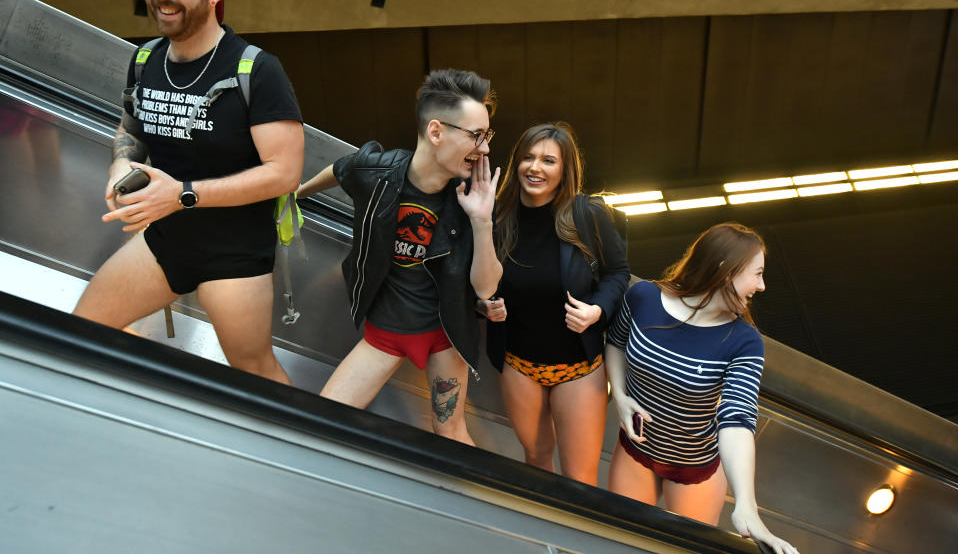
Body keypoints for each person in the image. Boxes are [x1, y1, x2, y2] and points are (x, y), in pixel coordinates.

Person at [73, 0, 304, 384]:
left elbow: (284, 173)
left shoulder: (255, 69)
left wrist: (182, 195)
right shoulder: (145, 59)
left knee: (254, 370)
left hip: (234, 258)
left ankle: (302, 450)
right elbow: (132, 129)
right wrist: (122, 165)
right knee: (78, 333)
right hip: (165, 243)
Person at [296, 69, 501, 444]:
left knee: (451, 430)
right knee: (324, 420)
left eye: (487, 136)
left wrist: (482, 220)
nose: (485, 148)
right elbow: (342, 169)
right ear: (436, 132)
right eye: (476, 135)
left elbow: (486, 289)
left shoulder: (472, 198)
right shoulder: (378, 171)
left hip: (444, 337)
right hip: (384, 334)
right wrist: (298, 195)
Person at [606, 223, 798, 554]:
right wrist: (619, 397)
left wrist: (747, 505)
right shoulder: (644, 297)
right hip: (636, 452)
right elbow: (616, 344)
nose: (761, 286)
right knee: (621, 546)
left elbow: (737, 419)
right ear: (725, 270)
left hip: (695, 467)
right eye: (757, 274)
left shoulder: (744, 341)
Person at [481, 122, 629, 484]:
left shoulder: (587, 214)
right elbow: (477, 280)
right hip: (519, 363)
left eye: (548, 160)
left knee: (580, 477)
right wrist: (482, 305)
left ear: (564, 170)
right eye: (528, 158)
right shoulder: (497, 216)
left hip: (578, 366)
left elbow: (618, 273)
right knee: (536, 461)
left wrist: (597, 311)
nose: (535, 168)